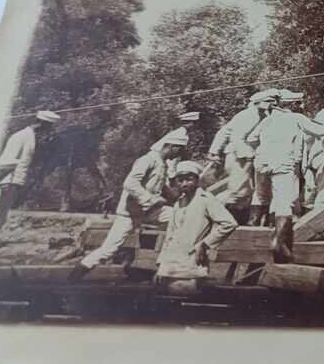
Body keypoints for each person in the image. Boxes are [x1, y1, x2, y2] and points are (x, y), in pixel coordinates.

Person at [71, 132, 189, 278]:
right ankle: (76, 273)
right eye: (180, 149)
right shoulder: (147, 160)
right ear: (172, 147)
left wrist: (173, 195)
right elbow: (130, 184)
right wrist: (151, 199)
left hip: (150, 211)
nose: (180, 154)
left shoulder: (162, 164)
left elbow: (160, 186)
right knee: (109, 249)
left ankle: (170, 265)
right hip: (130, 212)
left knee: (181, 218)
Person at [246, 88, 324, 261]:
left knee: (260, 197)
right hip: (282, 163)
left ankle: (252, 233)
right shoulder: (296, 118)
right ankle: (277, 240)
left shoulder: (266, 121)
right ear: (290, 104)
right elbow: (321, 131)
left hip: (261, 162)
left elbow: (251, 139)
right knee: (284, 203)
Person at [0, 110, 60, 254]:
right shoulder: (20, 137)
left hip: (16, 181)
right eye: (49, 126)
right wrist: (2, 182)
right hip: (8, 180)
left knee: (3, 213)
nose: (50, 130)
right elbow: (6, 161)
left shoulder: (31, 137)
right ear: (42, 123)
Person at [154, 161, 238, 281]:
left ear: (197, 180)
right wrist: (160, 264)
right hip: (169, 264)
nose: (184, 184)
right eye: (180, 180)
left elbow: (229, 223)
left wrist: (205, 244)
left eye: (189, 179)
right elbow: (170, 235)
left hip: (191, 262)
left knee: (187, 293)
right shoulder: (179, 203)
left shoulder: (206, 200)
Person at [208, 91, 272, 223]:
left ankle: (235, 219)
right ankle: (210, 212)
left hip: (245, 156)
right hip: (240, 156)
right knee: (237, 192)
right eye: (268, 101)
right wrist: (247, 157)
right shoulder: (249, 116)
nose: (272, 104)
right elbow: (237, 138)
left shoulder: (261, 114)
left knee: (245, 192)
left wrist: (214, 150)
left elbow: (224, 131)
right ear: (257, 103)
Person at [152, 111, 201, 178]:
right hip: (162, 156)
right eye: (194, 123)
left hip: (167, 156)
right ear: (188, 123)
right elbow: (175, 151)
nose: (195, 125)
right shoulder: (180, 133)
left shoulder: (184, 132)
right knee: (168, 174)